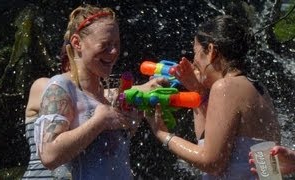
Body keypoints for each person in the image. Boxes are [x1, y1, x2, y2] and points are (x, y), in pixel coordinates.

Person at [34, 4, 167, 180]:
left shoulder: (104, 94)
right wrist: (99, 121)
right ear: (77, 43)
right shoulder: (61, 87)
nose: (113, 52)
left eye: (117, 44)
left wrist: (131, 121)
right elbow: (48, 155)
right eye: (105, 45)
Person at [145, 15, 281, 179]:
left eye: (195, 53)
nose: (194, 62)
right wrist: (198, 91)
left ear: (210, 51)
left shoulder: (225, 87)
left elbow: (211, 163)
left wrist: (162, 134)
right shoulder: (257, 88)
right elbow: (206, 143)